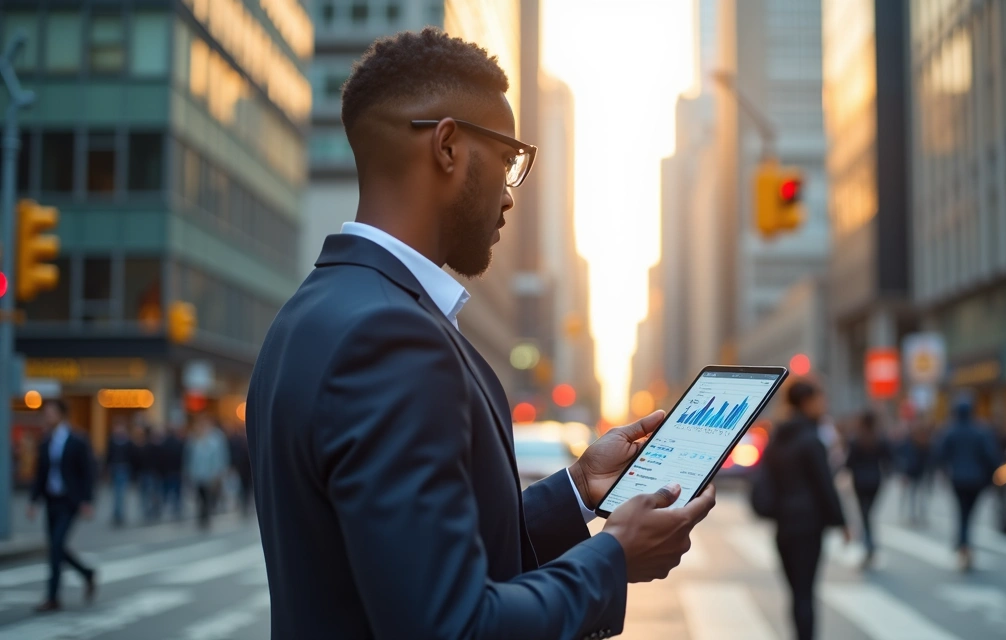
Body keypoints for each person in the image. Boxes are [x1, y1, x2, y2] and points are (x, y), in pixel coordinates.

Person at [245, 28, 716, 640]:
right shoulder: (392, 338)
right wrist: (614, 558)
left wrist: (575, 491)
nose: (510, 194)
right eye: (508, 159)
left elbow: (413, 553)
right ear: (447, 146)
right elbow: (452, 625)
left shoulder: (309, 314)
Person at [757, 381, 848, 640]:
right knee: (806, 592)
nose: (824, 405)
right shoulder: (811, 439)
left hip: (783, 528)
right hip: (808, 527)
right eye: (821, 399)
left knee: (796, 592)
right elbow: (824, 486)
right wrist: (842, 523)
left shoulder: (777, 437)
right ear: (807, 402)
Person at [26, 399, 98, 612]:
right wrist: (33, 501)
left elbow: (88, 472)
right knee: (55, 548)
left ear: (61, 415)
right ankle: (86, 573)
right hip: (51, 499)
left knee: (56, 545)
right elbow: (40, 474)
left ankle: (52, 596)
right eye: (45, 413)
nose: (47, 417)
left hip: (70, 501)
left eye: (50, 413)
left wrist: (87, 500)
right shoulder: (45, 441)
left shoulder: (77, 440)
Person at [934, 393, 1003, 571]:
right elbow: (991, 457)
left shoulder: (950, 430)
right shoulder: (981, 430)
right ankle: (964, 543)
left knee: (962, 512)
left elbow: (940, 454)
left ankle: (962, 543)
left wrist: (945, 470)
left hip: (958, 479)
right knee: (969, 514)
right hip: (976, 480)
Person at [844, 411, 891, 567]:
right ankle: (870, 544)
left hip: (860, 481)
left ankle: (869, 544)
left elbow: (849, 462)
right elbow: (889, 459)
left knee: (865, 515)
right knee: (868, 514)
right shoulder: (880, 438)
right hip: (875, 480)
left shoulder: (856, 439)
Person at [185, 418, 229, 530]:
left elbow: (220, 457)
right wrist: (188, 473)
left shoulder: (216, 440)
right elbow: (189, 458)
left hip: (210, 475)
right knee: (199, 496)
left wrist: (219, 473)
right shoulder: (193, 439)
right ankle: (202, 515)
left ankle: (205, 516)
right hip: (198, 474)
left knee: (207, 497)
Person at [897, 420, 933, 526]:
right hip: (910, 473)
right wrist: (904, 472)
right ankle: (911, 515)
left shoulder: (926, 445)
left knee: (922, 495)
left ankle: (921, 515)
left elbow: (930, 460)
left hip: (921, 473)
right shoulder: (908, 444)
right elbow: (903, 458)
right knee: (911, 494)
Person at [104, 420, 136, 527]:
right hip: (114, 468)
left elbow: (132, 457)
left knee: (121, 493)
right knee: (116, 493)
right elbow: (108, 456)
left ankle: (120, 514)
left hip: (124, 468)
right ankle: (116, 514)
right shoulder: (112, 440)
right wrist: (106, 470)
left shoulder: (128, 441)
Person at [226, 422, 253, 518]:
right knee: (242, 488)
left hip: (248, 469)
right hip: (242, 468)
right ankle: (244, 504)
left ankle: (246, 503)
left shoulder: (249, 440)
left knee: (247, 488)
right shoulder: (236, 441)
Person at [160, 424, 186, 520]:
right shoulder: (179, 443)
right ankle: (177, 509)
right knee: (177, 492)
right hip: (177, 471)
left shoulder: (164, 444)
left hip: (167, 472)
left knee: (167, 491)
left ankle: (167, 508)